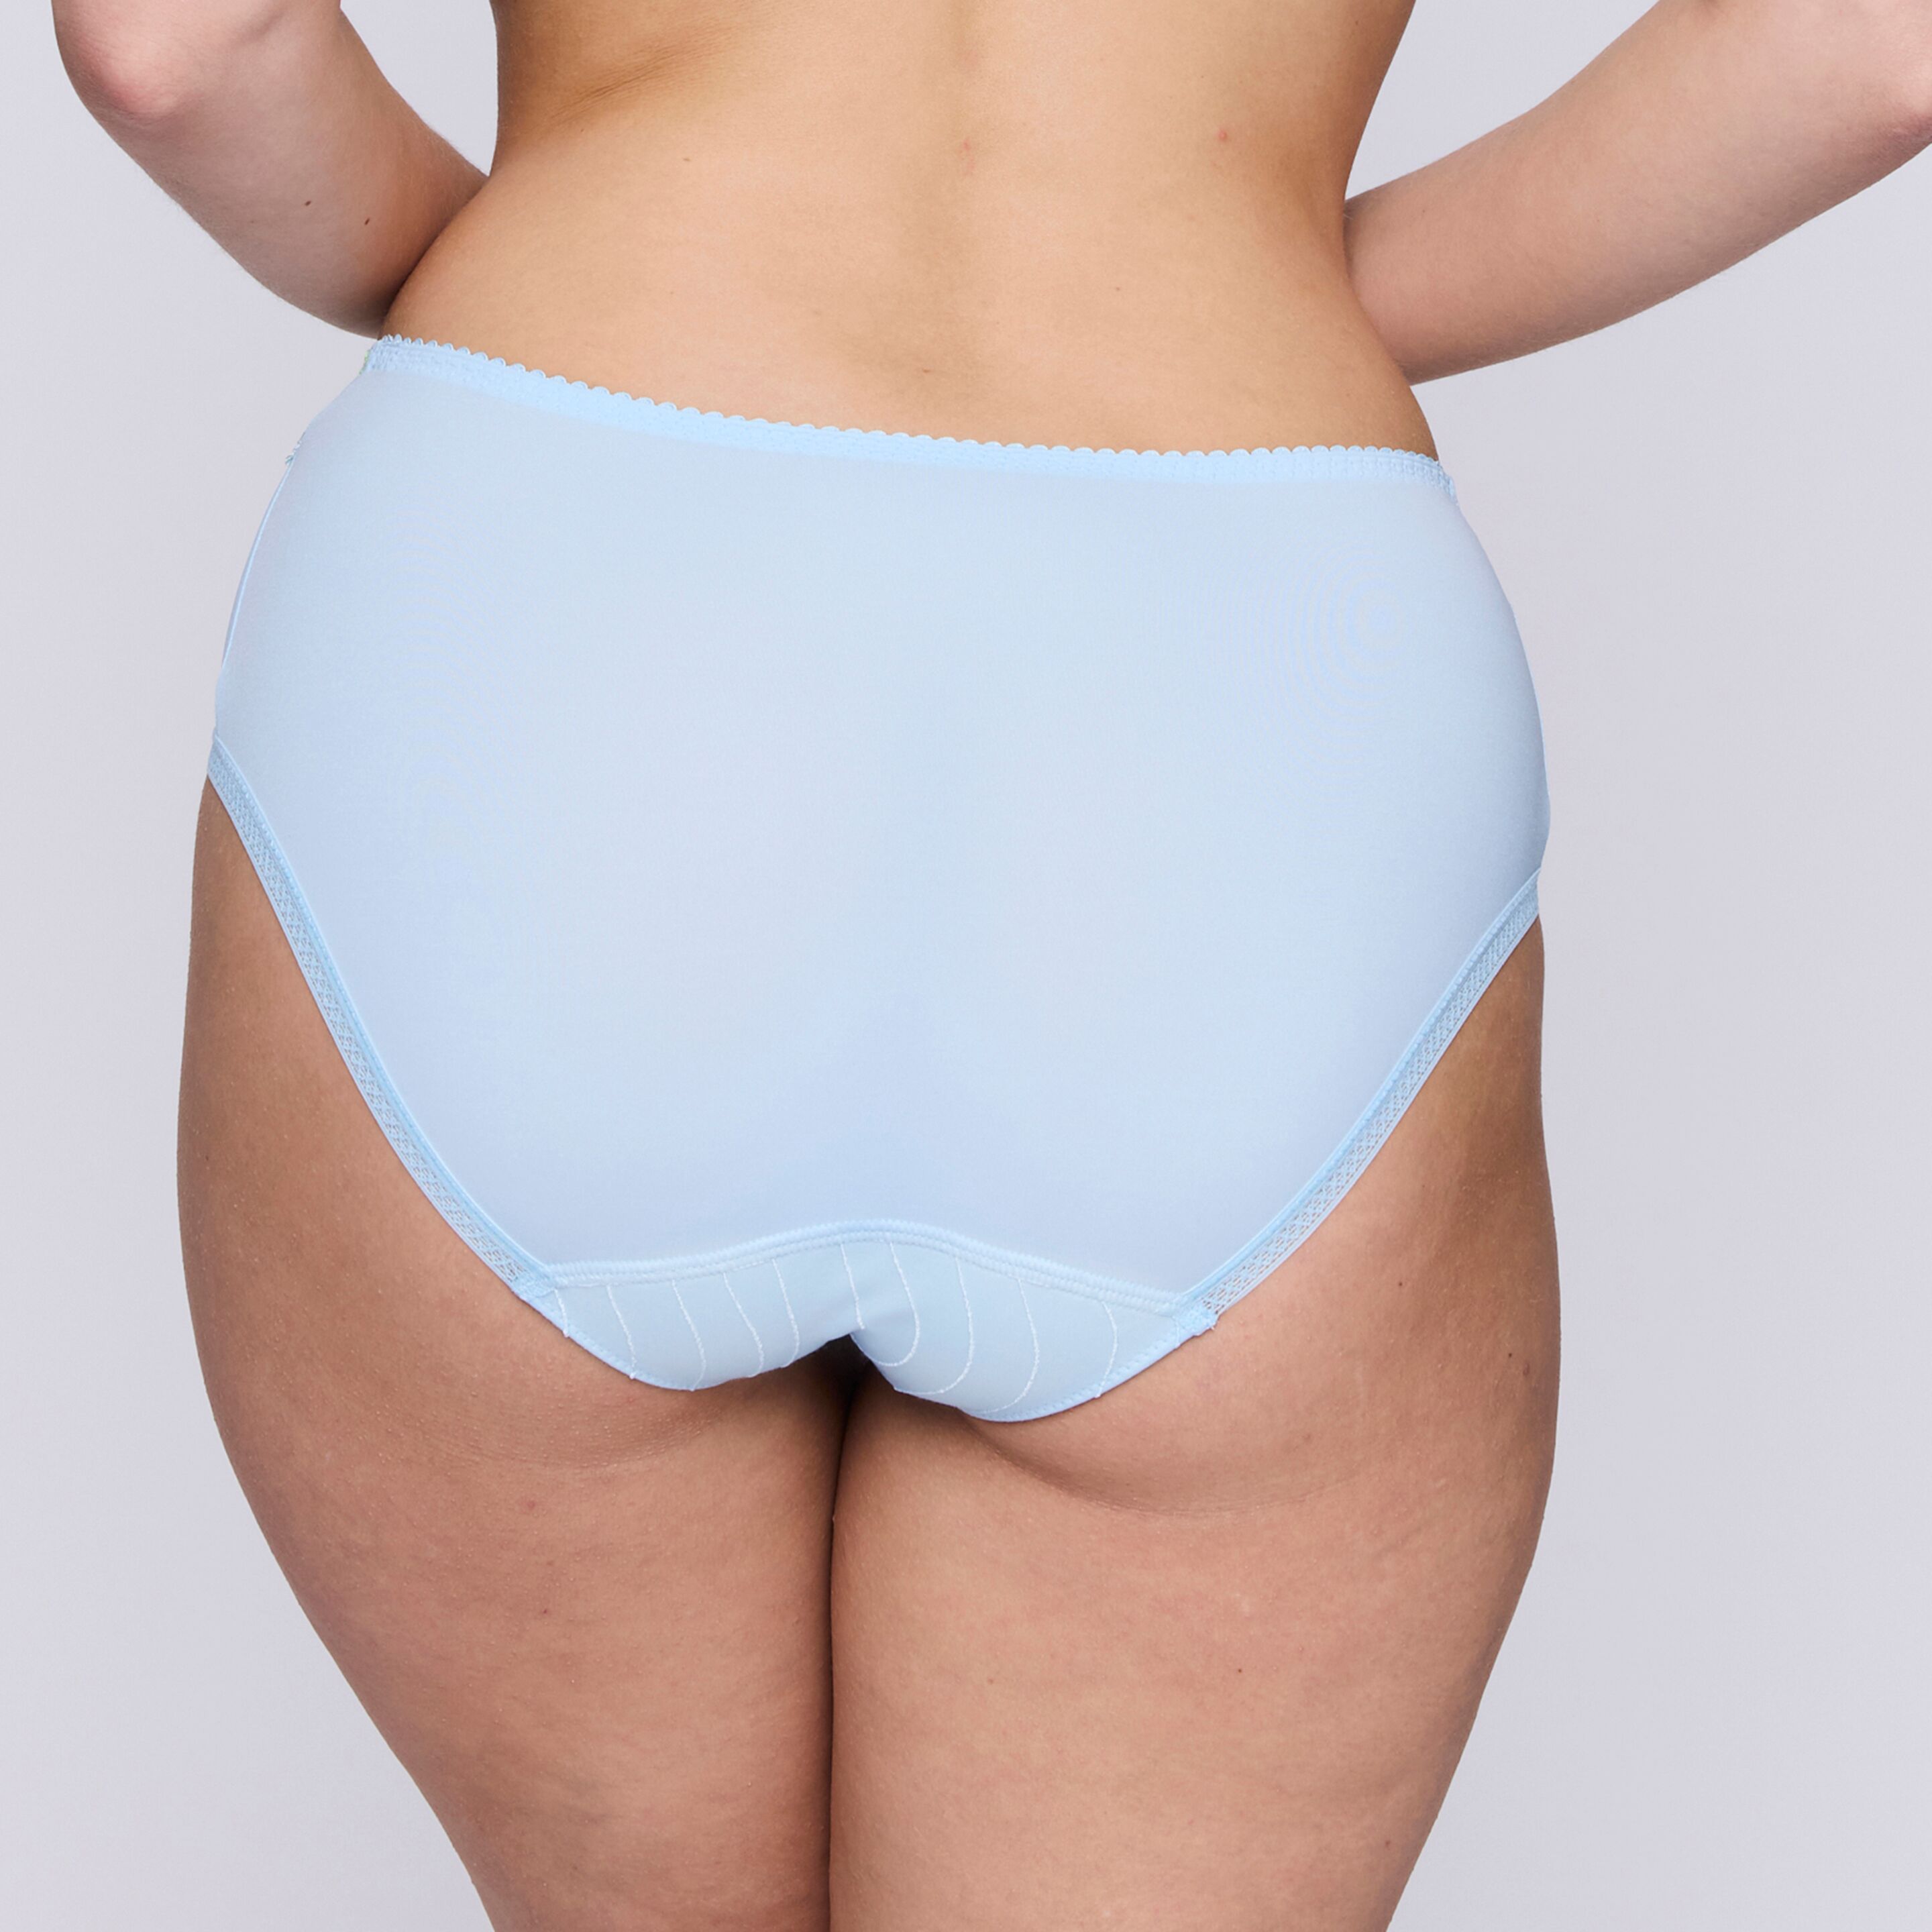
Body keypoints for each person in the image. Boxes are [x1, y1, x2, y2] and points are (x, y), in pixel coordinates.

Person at [51, 1, 1932, 1925]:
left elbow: (178, 42)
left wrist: (475, 254)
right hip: (1234, 693)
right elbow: (1877, 43)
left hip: (554, 619)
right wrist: (1281, 273)